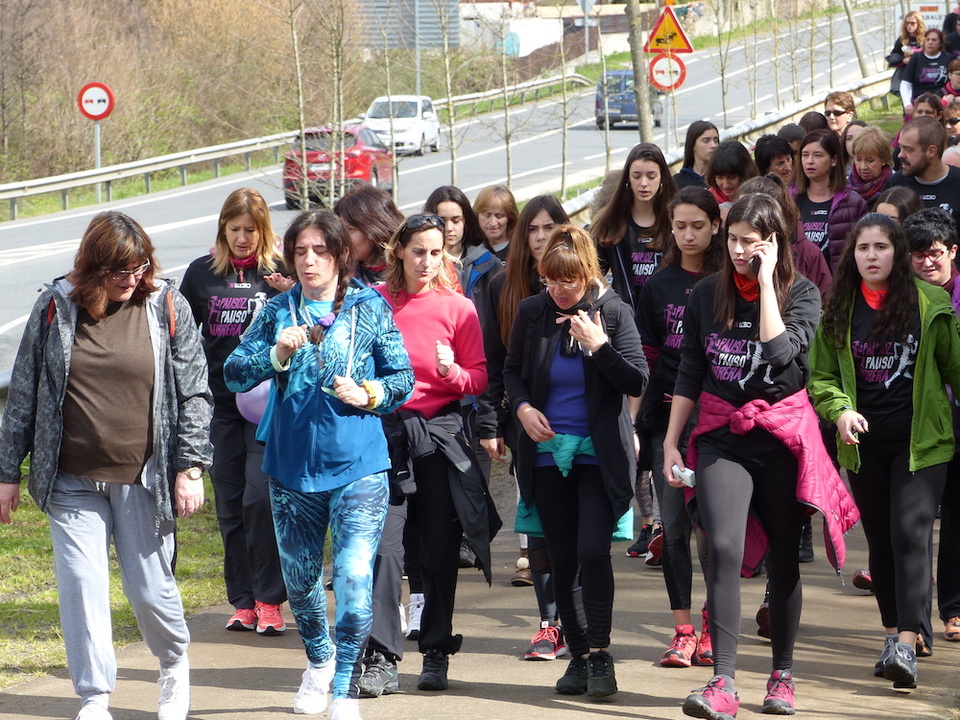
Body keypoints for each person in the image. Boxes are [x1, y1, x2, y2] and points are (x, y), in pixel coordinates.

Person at [0, 211, 214, 720]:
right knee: (82, 586)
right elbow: (24, 393)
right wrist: (7, 472)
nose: (131, 279)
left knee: (150, 590)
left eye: (139, 267)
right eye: (120, 270)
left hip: (144, 478)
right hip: (71, 480)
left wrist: (190, 467)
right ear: (94, 266)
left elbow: (195, 394)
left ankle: (172, 663)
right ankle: (95, 697)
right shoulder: (56, 307)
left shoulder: (166, 305)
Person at [662, 194, 857, 718]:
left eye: (750, 241)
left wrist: (768, 283)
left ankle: (782, 676)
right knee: (722, 547)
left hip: (783, 439)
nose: (738, 249)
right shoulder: (707, 294)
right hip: (723, 434)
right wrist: (671, 440)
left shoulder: (804, 294)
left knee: (783, 560)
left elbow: (780, 355)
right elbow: (690, 369)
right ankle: (723, 682)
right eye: (733, 239)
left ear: (773, 243)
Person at [223, 210, 415, 720]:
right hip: (291, 468)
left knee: (353, 577)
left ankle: (345, 687)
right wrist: (275, 354)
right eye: (300, 251)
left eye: (321, 251)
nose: (309, 261)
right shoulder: (277, 309)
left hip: (359, 465)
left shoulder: (369, 306)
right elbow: (234, 373)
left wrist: (369, 392)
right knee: (302, 584)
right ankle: (319, 662)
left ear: (341, 255)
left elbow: (402, 378)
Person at [808, 212, 960, 692]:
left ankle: (908, 644)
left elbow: (955, 368)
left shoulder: (931, 304)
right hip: (863, 447)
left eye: (881, 247)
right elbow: (821, 378)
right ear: (852, 256)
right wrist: (840, 412)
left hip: (922, 443)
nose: (871, 256)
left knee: (911, 533)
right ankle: (894, 635)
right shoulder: (839, 309)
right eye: (863, 248)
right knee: (881, 542)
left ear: (898, 253)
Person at [503, 224, 648, 699]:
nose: (558, 290)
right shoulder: (532, 312)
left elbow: (637, 381)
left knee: (591, 552)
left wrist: (598, 345)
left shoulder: (614, 311)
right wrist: (523, 408)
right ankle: (581, 657)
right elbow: (512, 371)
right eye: (550, 280)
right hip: (547, 456)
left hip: (597, 457)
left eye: (568, 281)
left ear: (587, 274)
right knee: (560, 560)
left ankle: (602, 653)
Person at [375, 213, 499, 693]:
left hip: (439, 437)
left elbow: (480, 378)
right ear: (399, 252)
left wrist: (452, 374)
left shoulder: (458, 308)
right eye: (417, 251)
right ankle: (381, 656)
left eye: (435, 252)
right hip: (385, 436)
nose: (426, 261)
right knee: (385, 551)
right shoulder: (376, 302)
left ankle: (435, 650)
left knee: (440, 550)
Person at [179, 188, 291, 637]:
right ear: (222, 229)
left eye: (251, 230)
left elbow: (313, 320)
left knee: (259, 500)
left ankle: (270, 599)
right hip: (219, 406)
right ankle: (243, 602)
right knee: (230, 504)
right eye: (234, 229)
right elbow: (182, 339)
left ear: (264, 231)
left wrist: (291, 294)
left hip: (268, 406)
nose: (242, 238)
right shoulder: (200, 273)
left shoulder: (280, 272)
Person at [477, 194, 573, 659]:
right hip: (525, 418)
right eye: (532, 229)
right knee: (537, 517)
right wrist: (492, 421)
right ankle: (548, 622)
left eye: (549, 227)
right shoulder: (502, 284)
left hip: (578, 422)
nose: (539, 237)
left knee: (576, 525)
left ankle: (577, 618)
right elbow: (495, 362)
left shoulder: (589, 287)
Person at [635, 187, 723, 669]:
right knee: (672, 529)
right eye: (680, 226)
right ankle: (683, 630)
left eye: (698, 226)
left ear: (716, 227)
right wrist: (638, 421)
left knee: (711, 531)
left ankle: (713, 625)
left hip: (715, 423)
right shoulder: (659, 285)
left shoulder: (727, 282)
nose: (689, 234)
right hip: (666, 423)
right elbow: (646, 356)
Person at [332, 187, 413, 699]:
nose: (342, 240)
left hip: (415, 429)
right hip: (358, 433)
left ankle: (406, 648)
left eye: (350, 230)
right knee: (365, 549)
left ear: (375, 227)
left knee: (404, 551)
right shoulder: (344, 284)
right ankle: (366, 653)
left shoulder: (411, 275)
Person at [901, 209, 960, 652]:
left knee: (957, 518)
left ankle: (954, 608)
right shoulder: (900, 299)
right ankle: (917, 627)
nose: (926, 262)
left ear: (952, 252)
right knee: (916, 525)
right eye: (917, 255)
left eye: (934, 253)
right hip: (917, 424)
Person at [592, 142, 678, 310]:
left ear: (662, 177)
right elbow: (593, 275)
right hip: (624, 317)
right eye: (636, 176)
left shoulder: (676, 220)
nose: (643, 183)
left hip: (666, 314)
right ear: (628, 178)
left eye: (651, 176)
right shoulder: (611, 222)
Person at [740, 174, 832, 299]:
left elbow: (826, 300)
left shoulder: (807, 252)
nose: (743, 216)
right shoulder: (735, 249)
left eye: (751, 211)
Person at [792, 129, 868, 270]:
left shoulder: (853, 202)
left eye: (818, 155)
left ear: (834, 160)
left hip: (838, 280)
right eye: (805, 155)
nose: (809, 161)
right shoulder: (790, 199)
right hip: (798, 280)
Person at [884, 116, 960, 227]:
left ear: (931, 151)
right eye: (900, 147)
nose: (900, 155)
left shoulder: (957, 183)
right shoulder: (896, 183)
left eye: (908, 149)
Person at [333, 185, 404, 285]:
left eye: (350, 229)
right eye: (341, 230)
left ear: (375, 227)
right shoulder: (340, 274)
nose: (343, 238)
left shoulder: (409, 269)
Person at [901, 29, 950, 115]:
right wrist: (907, 104)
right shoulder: (916, 58)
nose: (930, 42)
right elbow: (906, 83)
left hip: (941, 101)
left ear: (940, 43)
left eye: (934, 40)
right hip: (919, 100)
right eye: (928, 39)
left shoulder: (948, 58)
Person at [849, 126, 895, 209]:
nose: (863, 167)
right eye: (858, 159)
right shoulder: (846, 185)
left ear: (883, 159)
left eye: (870, 160)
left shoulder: (894, 183)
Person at [705, 140, 759, 209]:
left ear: (745, 174)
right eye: (719, 177)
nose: (726, 185)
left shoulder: (759, 196)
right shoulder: (708, 200)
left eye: (732, 177)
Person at [472, 184, 518, 258]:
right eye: (487, 215)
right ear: (477, 215)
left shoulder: (519, 247)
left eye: (499, 216)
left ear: (510, 218)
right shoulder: (469, 248)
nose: (493, 223)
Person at [889, 12, 925, 101]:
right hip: (906, 75)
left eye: (912, 23)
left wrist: (916, 53)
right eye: (907, 23)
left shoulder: (926, 38)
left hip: (922, 74)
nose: (909, 26)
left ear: (919, 24)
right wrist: (903, 60)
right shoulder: (902, 40)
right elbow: (893, 57)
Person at [674, 121, 720, 189]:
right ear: (693, 145)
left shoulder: (721, 178)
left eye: (716, 141)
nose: (713, 145)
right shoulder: (678, 181)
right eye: (706, 141)